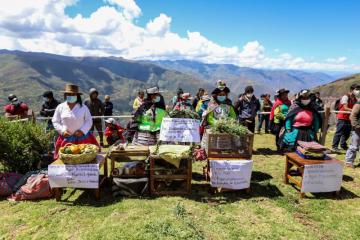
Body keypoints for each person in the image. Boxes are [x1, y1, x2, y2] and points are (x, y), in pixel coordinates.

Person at [52, 84, 98, 160]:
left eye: (73, 94)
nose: (71, 95)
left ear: (77, 95)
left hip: (83, 139)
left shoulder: (83, 107)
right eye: (69, 94)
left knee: (84, 159)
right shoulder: (60, 107)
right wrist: (62, 131)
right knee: (65, 160)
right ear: (65, 95)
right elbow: (55, 121)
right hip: (66, 139)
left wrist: (82, 131)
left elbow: (89, 121)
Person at [332, 84, 360, 152]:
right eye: (356, 89)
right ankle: (334, 147)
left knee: (347, 133)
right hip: (342, 117)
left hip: (349, 118)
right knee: (339, 132)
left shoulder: (355, 99)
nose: (358, 91)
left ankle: (343, 145)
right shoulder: (345, 97)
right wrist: (354, 111)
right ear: (352, 89)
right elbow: (345, 107)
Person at [345, 88, 360, 168]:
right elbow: (353, 116)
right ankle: (349, 162)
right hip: (358, 129)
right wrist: (356, 126)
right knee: (354, 146)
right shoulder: (358, 105)